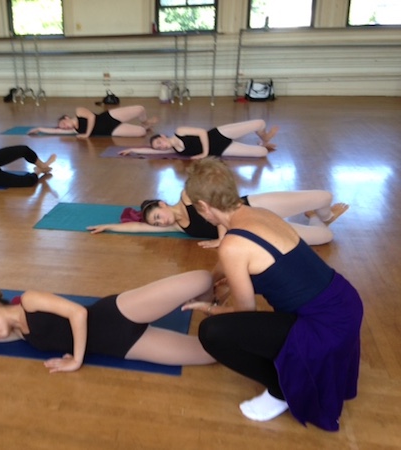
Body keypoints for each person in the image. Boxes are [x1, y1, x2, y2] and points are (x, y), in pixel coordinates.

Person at [180, 158, 363, 431]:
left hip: (323, 329)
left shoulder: (233, 245)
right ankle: (285, 373)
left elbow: (244, 315)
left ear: (204, 207)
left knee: (213, 332)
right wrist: (217, 279)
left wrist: (208, 308)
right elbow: (250, 261)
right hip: (345, 302)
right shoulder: (260, 214)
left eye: (196, 208)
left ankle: (281, 390)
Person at [0, 271, 217, 372]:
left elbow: (78, 313)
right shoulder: (19, 335)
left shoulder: (30, 300)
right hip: (124, 346)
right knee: (212, 352)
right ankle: (226, 314)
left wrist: (75, 361)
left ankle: (221, 296)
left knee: (202, 278)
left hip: (117, 313)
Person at [88, 189, 348, 248]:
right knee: (326, 236)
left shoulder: (187, 195)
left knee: (324, 196)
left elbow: (219, 215)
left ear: (162, 203)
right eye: (156, 223)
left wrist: (220, 241)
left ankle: (322, 212)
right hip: (255, 230)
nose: (160, 222)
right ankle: (317, 218)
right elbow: (137, 229)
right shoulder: (181, 228)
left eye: (157, 216)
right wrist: (109, 226)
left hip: (251, 206)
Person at [118, 119, 277, 159]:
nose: (161, 146)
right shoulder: (175, 150)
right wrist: (133, 149)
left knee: (259, 123)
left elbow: (202, 132)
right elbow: (151, 153)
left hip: (219, 135)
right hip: (222, 149)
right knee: (262, 153)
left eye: (159, 142)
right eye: (159, 147)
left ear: (163, 136)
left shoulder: (179, 131)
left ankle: (264, 137)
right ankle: (263, 144)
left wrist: (204, 154)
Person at [27, 105, 158, 139]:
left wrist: (87, 134)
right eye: (63, 128)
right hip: (110, 131)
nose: (65, 127)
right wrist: (39, 128)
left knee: (140, 109)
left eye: (64, 124)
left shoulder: (79, 111)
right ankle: (144, 127)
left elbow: (91, 117)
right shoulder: (75, 130)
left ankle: (145, 121)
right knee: (141, 132)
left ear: (67, 117)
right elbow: (54, 131)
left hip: (108, 117)